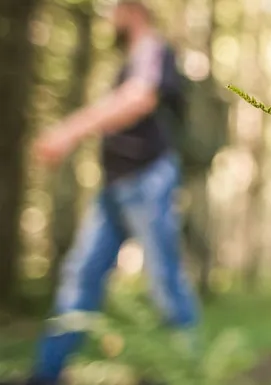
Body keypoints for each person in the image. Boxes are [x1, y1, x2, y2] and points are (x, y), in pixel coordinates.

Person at [3, 2, 199, 384]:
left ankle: (187, 372)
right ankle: (46, 374)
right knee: (81, 277)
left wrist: (69, 131)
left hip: (147, 181)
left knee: (165, 280)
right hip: (114, 186)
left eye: (114, 7)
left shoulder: (153, 49)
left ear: (134, 9)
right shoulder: (133, 55)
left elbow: (139, 98)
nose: (109, 14)